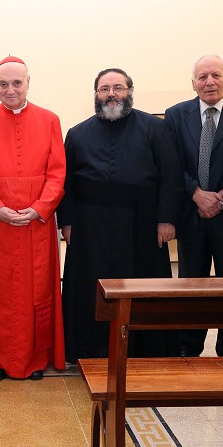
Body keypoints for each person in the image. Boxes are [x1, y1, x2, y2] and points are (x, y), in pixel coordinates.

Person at [57, 68, 184, 363]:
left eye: (118, 88)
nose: (111, 94)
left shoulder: (155, 129)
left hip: (142, 224)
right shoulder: (77, 134)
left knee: (142, 287)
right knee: (91, 288)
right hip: (90, 226)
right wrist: (67, 222)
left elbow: (171, 176)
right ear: (96, 94)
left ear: (130, 92)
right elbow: (66, 183)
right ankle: (89, 352)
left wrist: (166, 220)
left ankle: (145, 352)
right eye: (104, 89)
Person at [0, 56, 66, 381]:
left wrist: (39, 208)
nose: (10, 90)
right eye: (3, 84)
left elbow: (57, 175)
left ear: (28, 82)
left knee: (37, 293)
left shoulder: (50, 120)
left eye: (16, 83)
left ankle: (35, 359)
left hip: (36, 224)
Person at [165, 55, 223, 357]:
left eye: (216, 75)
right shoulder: (175, 114)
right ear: (193, 83)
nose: (210, 82)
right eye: (203, 76)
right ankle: (188, 347)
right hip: (191, 215)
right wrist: (196, 193)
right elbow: (171, 163)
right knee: (191, 286)